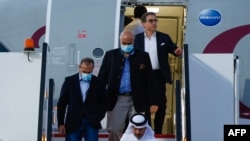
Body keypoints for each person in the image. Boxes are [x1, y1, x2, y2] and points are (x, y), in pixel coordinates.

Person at [98, 30, 158, 141]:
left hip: (137, 98)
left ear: (134, 41)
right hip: (117, 98)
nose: (127, 45)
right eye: (124, 43)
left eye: (129, 43)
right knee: (115, 129)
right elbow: (102, 79)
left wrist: (154, 101)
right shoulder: (110, 55)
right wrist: (99, 99)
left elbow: (150, 80)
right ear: (120, 41)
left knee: (139, 128)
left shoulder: (143, 56)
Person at [134, 12, 182, 134]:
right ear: (144, 23)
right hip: (142, 75)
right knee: (144, 104)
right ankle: (147, 130)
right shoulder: (137, 38)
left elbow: (174, 50)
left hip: (158, 75)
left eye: (155, 20)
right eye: (151, 21)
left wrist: (178, 52)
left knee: (160, 104)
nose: (154, 23)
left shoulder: (164, 37)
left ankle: (158, 131)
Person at [57, 57, 107, 141]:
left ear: (92, 69)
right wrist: (61, 123)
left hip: (92, 122)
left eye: (89, 72)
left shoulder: (99, 83)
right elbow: (62, 103)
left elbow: (104, 103)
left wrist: (98, 117)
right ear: (79, 68)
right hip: (73, 122)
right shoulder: (69, 81)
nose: (86, 74)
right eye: (84, 71)